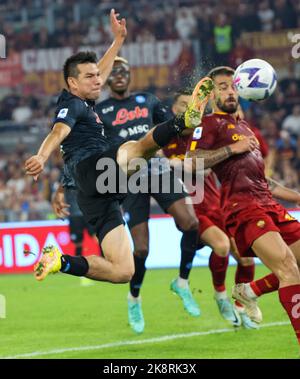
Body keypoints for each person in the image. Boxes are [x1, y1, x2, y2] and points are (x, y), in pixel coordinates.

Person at [24, 15, 212, 292]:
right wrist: (41, 156)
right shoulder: (72, 104)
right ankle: (183, 121)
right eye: (89, 77)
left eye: (98, 76)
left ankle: (60, 261)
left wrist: (119, 41)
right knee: (133, 149)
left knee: (123, 270)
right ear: (72, 84)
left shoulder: (85, 98)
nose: (98, 80)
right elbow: (58, 131)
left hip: (98, 192)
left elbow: (100, 69)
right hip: (90, 167)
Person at [186, 66, 300, 345]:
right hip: (243, 207)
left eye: (232, 86)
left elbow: (264, 180)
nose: (229, 91)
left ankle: (250, 291)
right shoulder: (209, 124)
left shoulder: (245, 127)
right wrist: (229, 150)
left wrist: (297, 196)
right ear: (212, 94)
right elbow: (192, 162)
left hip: (267, 203)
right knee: (288, 269)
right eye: (222, 87)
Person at [95, 58, 200, 334]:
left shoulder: (148, 101)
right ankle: (134, 297)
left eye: (124, 71)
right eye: (114, 71)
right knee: (141, 249)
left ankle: (182, 282)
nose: (119, 75)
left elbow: (176, 128)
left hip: (158, 170)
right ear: (107, 79)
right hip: (128, 178)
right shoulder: (101, 110)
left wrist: (193, 117)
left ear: (130, 76)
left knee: (191, 224)